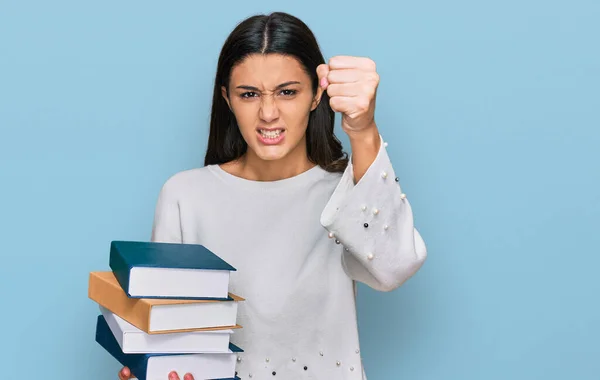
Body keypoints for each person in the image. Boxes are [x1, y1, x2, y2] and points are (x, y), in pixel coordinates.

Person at [118, 11, 426, 380]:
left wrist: (362, 130)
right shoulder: (185, 195)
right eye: (249, 94)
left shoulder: (348, 189)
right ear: (227, 99)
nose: (268, 113)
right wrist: (150, 368)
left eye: (287, 92)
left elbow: (394, 267)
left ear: (316, 96)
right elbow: (166, 330)